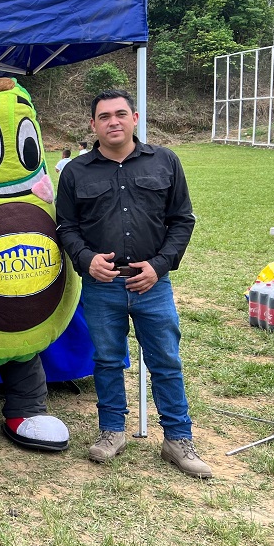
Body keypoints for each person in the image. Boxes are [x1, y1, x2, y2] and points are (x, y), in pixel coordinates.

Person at [56, 89, 211, 478]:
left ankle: (178, 439)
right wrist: (87, 260)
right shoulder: (76, 171)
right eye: (104, 116)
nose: (113, 122)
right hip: (102, 285)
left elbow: (182, 221)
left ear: (135, 118)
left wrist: (159, 267)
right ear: (93, 125)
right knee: (106, 360)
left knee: (166, 361)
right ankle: (112, 432)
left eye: (120, 114)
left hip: (152, 284)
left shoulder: (165, 162)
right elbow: (66, 228)